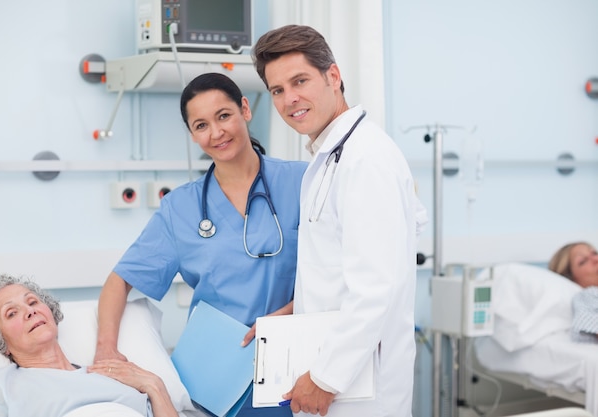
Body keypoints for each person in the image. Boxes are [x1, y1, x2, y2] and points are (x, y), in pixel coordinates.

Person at [95, 72, 307, 417]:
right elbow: (119, 281)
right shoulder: (181, 209)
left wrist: (286, 314)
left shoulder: (302, 181)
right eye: (201, 125)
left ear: (244, 110)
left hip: (295, 359)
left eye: (224, 116)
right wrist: (106, 349)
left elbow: (341, 271)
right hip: (218, 374)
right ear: (192, 135)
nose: (216, 133)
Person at [252, 25, 428, 416]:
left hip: (359, 386)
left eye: (300, 81)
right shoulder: (333, 154)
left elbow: (375, 286)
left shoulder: (366, 159)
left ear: (333, 76)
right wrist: (297, 311)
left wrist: (325, 379)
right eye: (277, 90)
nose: (289, 99)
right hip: (338, 368)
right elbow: (344, 267)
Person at [0, 274, 178, 417]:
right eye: (12, 313)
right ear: (0, 340)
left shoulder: (116, 374)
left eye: (33, 302)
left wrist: (155, 386)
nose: (30, 311)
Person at [549, 241, 598, 342]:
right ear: (570, 278)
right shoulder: (587, 296)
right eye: (583, 261)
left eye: (595, 253)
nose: (596, 259)